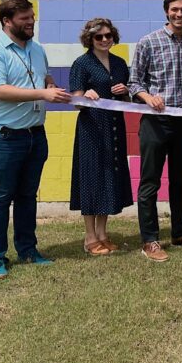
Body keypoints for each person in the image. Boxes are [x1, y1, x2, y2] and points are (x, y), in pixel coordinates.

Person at [0, 0, 71, 279]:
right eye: (24, 19)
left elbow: (42, 76)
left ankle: (28, 250)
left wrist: (49, 83)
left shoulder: (36, 49)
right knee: (1, 198)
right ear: (6, 21)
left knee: (28, 196)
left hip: (34, 135)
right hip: (2, 138)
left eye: (32, 16)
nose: (31, 22)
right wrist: (43, 94)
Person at [128, 0, 182, 263]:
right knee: (150, 181)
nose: (179, 14)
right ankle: (150, 239)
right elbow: (134, 82)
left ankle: (180, 233)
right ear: (166, 12)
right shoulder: (149, 42)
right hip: (156, 122)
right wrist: (148, 98)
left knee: (181, 180)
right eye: (174, 10)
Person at [68, 17, 133, 256]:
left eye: (108, 35)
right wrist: (85, 94)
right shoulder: (82, 63)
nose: (105, 40)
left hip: (115, 126)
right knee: (91, 176)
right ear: (90, 39)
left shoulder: (119, 63)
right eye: (99, 36)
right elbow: (75, 101)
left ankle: (104, 234)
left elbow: (127, 100)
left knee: (109, 176)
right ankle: (90, 236)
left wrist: (125, 91)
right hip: (91, 128)